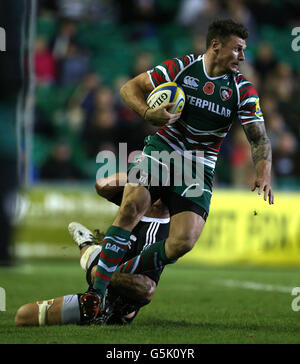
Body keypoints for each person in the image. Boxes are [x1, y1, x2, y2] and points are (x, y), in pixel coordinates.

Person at [86, 19, 274, 319]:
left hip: (198, 168)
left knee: (182, 242)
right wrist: (148, 112)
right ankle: (95, 292)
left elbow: (259, 138)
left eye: (244, 50)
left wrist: (263, 169)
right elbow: (129, 88)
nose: (242, 57)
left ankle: (109, 272)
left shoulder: (242, 89)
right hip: (162, 151)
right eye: (237, 49)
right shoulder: (182, 67)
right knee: (131, 206)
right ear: (216, 45)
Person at [14, 196, 170, 326]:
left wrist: (102, 274)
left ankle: (87, 246)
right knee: (23, 316)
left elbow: (146, 290)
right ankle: (88, 247)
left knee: (99, 271)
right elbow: (103, 185)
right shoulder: (129, 210)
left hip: (114, 299)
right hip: (96, 299)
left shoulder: (157, 231)